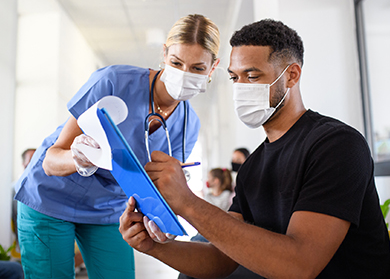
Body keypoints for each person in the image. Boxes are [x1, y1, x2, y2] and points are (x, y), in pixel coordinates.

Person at [119, 19, 390, 278]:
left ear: (292, 75)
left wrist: (187, 202)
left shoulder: (335, 145)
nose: (241, 88)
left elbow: (300, 265)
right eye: (235, 78)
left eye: (252, 76)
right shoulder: (252, 167)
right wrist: (153, 247)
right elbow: (221, 258)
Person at [14, 14, 220, 279]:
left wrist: (164, 222)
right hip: (49, 198)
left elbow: (162, 188)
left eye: (197, 68)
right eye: (176, 63)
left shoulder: (188, 125)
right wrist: (79, 158)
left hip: (108, 211)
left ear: (212, 69)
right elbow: (50, 160)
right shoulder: (113, 82)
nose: (183, 74)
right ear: (164, 55)